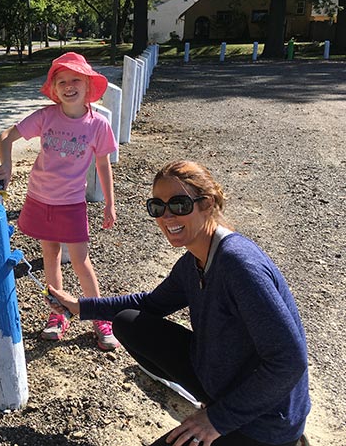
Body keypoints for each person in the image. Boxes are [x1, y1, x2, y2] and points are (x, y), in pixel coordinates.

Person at [48, 160, 310, 446]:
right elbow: (149, 303)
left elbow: (289, 360)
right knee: (128, 322)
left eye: (179, 204)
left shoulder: (238, 265)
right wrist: (81, 307)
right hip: (225, 378)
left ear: (207, 204)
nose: (167, 216)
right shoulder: (193, 262)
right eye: (157, 207)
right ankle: (212, 400)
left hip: (268, 420)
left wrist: (216, 420)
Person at [0, 52, 119, 350]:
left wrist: (110, 204)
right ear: (54, 88)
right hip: (39, 198)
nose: (68, 86)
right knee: (49, 257)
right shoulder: (46, 116)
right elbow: (5, 137)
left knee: (80, 261)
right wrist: (7, 165)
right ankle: (57, 313)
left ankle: (98, 315)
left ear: (89, 86)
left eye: (75, 79)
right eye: (61, 81)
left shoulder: (98, 125)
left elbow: (103, 165)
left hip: (72, 204)